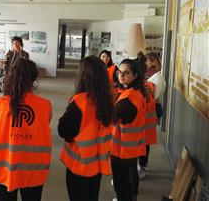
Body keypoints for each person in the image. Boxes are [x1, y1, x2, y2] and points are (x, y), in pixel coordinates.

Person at [0, 59, 52, 201]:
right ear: (34, 78)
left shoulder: (1, 105)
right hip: (33, 169)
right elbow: (44, 124)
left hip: (5, 168)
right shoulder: (45, 106)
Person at [58, 56, 113, 201]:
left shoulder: (80, 101)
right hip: (97, 163)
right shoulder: (108, 100)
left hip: (79, 164)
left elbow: (63, 130)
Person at [111, 59, 146, 201]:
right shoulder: (133, 92)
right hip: (131, 148)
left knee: (121, 185)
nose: (121, 75)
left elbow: (110, 118)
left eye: (126, 73)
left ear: (135, 75)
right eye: (120, 72)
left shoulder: (129, 98)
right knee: (126, 183)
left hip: (122, 150)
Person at [138, 52, 167, 179]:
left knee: (145, 140)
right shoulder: (146, 74)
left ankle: (143, 166)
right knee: (141, 138)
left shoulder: (158, 78)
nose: (145, 63)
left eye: (147, 61)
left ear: (154, 62)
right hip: (144, 109)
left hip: (152, 110)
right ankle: (141, 164)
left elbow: (153, 96)